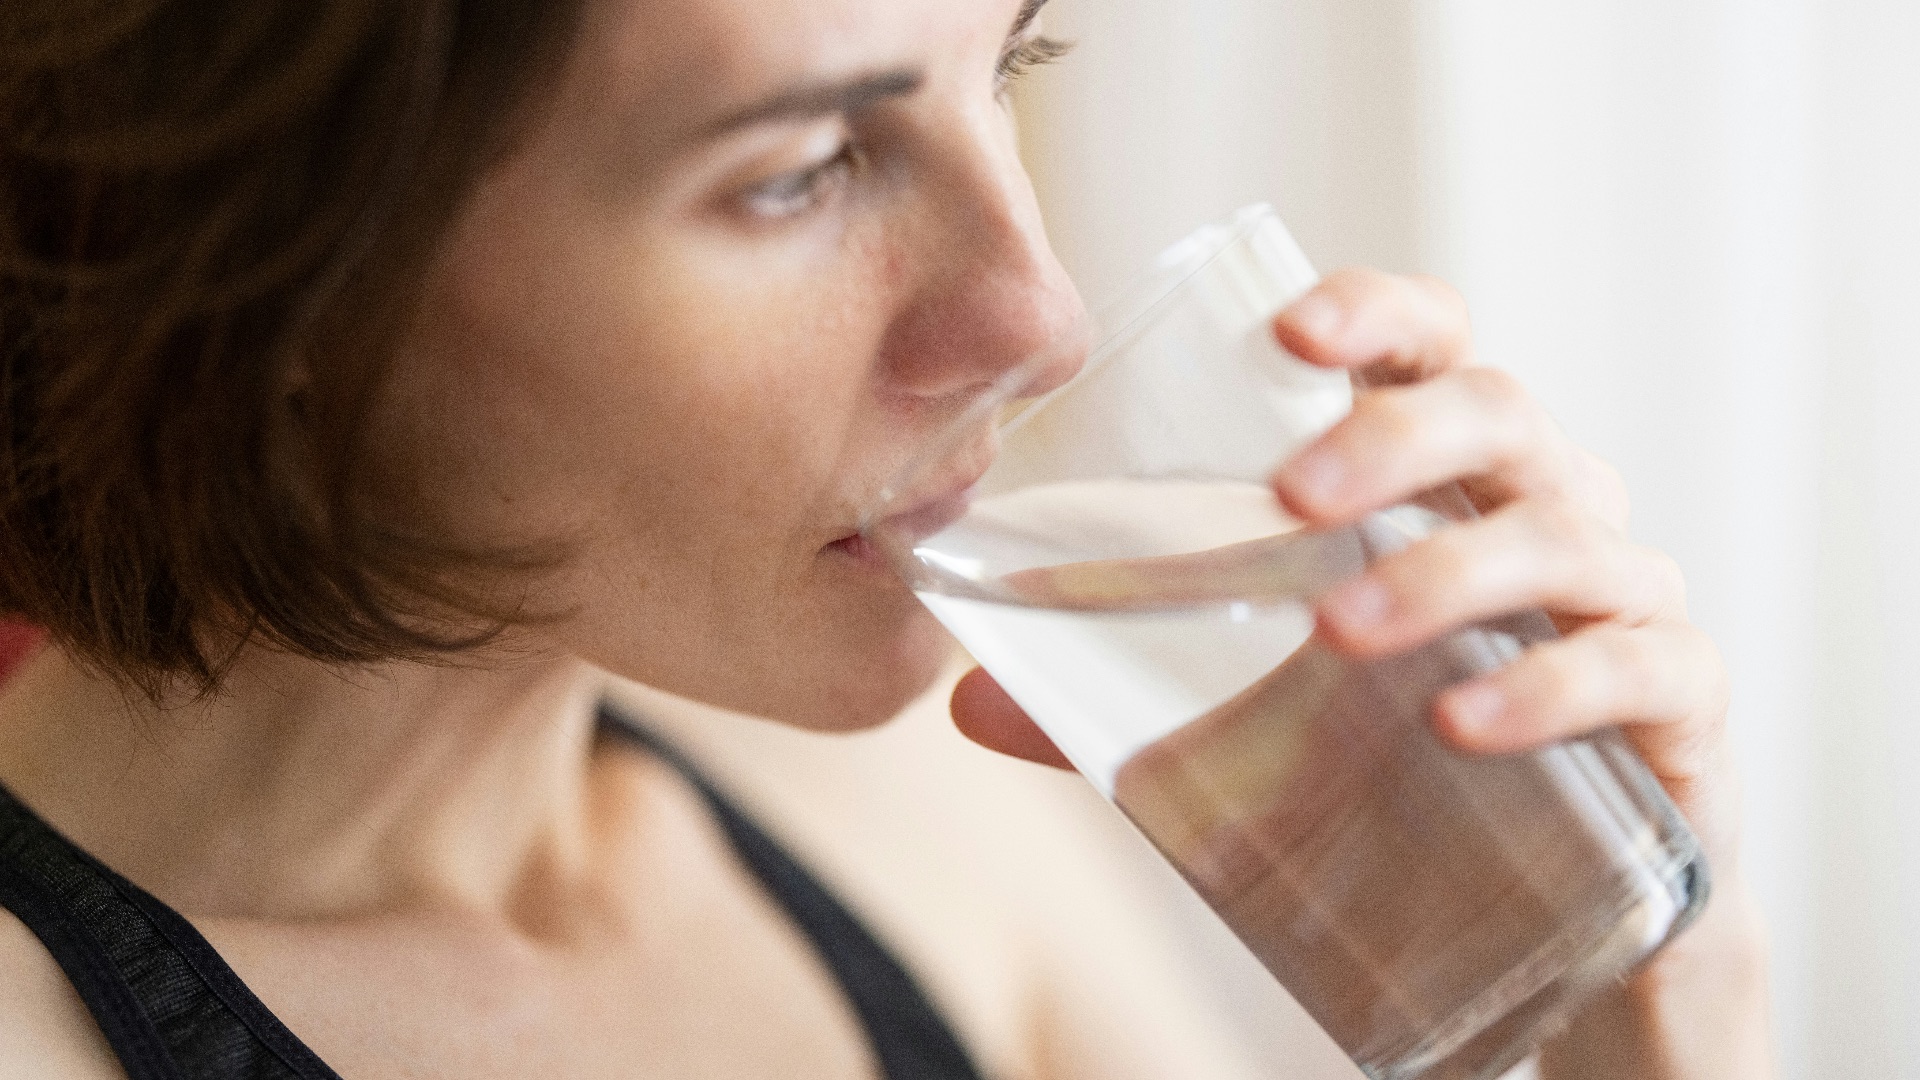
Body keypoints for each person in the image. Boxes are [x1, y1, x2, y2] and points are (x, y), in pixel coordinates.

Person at [0, 0, 1773, 1076]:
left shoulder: (910, 814)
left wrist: (1653, 982)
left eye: (1006, 66)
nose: (1040, 313)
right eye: (799, 168)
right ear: (261, 270)